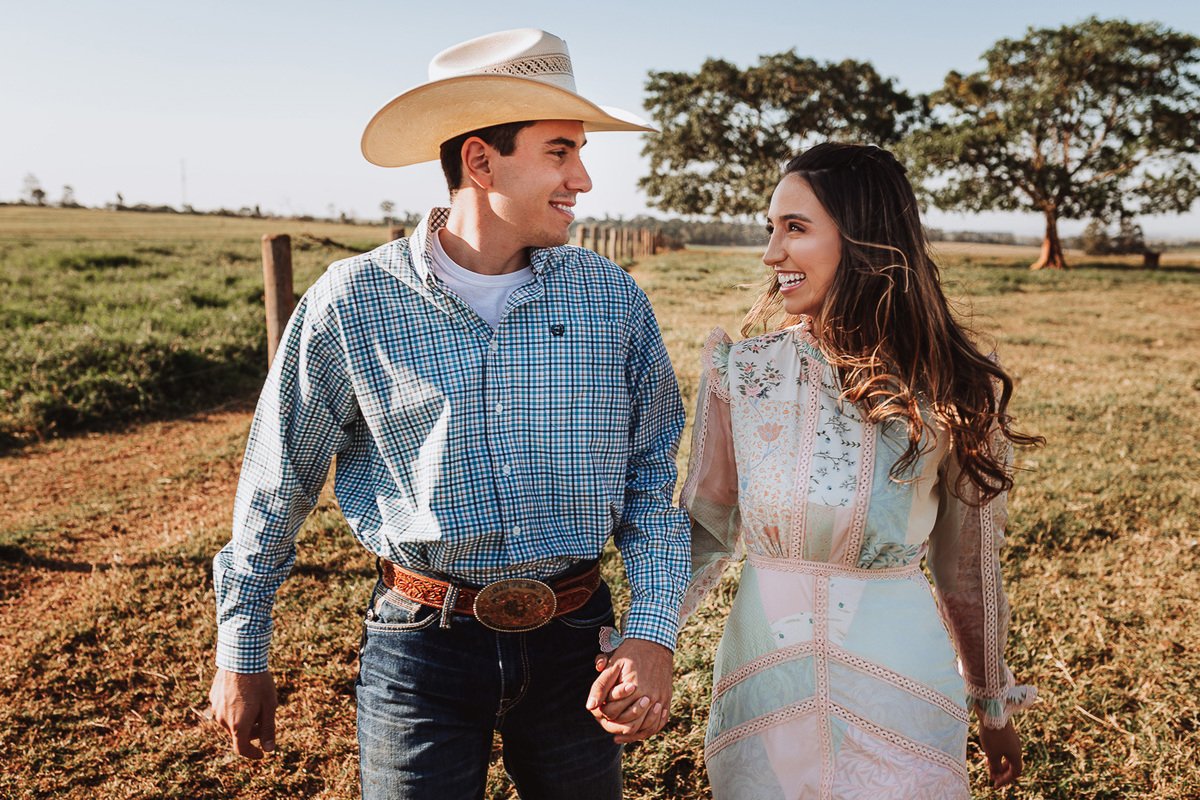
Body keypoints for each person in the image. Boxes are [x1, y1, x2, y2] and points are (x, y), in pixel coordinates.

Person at [206, 28, 689, 799]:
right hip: (418, 647)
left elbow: (649, 483)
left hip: (579, 645)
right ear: (480, 159)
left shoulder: (613, 302)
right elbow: (278, 480)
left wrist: (652, 631)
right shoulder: (352, 302)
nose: (584, 178)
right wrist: (242, 648)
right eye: (560, 151)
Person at [677, 142, 1040, 798]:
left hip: (899, 683)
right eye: (770, 229)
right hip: (765, 680)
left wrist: (992, 702)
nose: (770, 253)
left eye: (795, 228)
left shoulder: (952, 383)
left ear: (864, 238)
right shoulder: (742, 370)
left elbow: (967, 572)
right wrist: (649, 641)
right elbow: (706, 526)